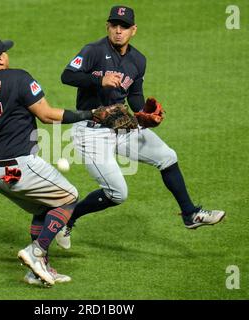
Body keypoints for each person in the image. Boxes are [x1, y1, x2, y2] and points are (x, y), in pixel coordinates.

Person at [56, 6, 225, 249]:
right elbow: (67, 76)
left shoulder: (138, 60)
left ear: (133, 30)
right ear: (107, 27)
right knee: (117, 194)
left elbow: (135, 95)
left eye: (124, 26)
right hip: (90, 131)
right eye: (114, 25)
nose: (118, 30)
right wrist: (98, 80)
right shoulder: (93, 51)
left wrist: (146, 113)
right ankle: (67, 219)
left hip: (121, 124)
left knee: (167, 156)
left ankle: (190, 214)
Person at [0, 35, 101, 286]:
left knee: (44, 207)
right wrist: (90, 114)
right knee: (69, 197)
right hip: (19, 166)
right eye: (5, 52)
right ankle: (36, 252)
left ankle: (37, 272)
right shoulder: (19, 78)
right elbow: (46, 115)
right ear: (0, 58)